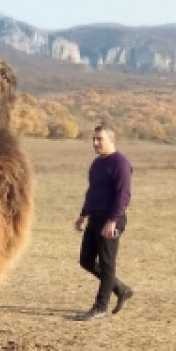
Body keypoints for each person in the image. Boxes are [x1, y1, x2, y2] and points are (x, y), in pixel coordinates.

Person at [74, 124, 134, 320]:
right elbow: (92, 193)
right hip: (95, 218)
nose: (95, 143)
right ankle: (121, 289)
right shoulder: (97, 164)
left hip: (111, 219)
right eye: (94, 139)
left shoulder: (120, 163)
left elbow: (123, 195)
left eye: (99, 139)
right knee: (86, 260)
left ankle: (100, 307)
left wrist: (113, 221)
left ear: (111, 140)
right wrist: (83, 215)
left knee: (107, 265)